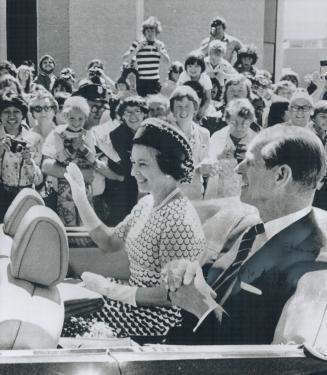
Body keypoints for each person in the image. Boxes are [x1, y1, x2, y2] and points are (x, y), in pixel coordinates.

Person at [164, 125, 327, 345]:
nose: (238, 168)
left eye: (250, 162)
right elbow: (218, 294)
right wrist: (189, 275)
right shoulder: (250, 227)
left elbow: (284, 363)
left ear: (280, 175)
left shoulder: (315, 266)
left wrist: (201, 307)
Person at [62, 117, 206, 338]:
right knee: (63, 302)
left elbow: (171, 296)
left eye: (143, 164)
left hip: (158, 320)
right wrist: (80, 198)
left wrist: (109, 289)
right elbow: (108, 242)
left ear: (168, 165)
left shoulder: (179, 220)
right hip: (131, 302)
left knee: (66, 323)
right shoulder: (147, 203)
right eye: (133, 162)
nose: (132, 172)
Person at [93, 96, 148, 225]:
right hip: (123, 187)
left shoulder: (152, 132)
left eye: (137, 111)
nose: (133, 115)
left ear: (144, 114)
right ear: (122, 115)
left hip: (147, 184)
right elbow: (125, 165)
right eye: (128, 112)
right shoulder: (116, 135)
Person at [42, 96, 96, 226]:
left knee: (85, 213)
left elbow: (93, 158)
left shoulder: (87, 134)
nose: (76, 122)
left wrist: (82, 147)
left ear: (85, 118)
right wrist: (73, 147)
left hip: (84, 181)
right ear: (66, 116)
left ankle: (85, 241)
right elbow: (60, 157)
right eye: (72, 118)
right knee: (67, 214)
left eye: (80, 119)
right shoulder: (59, 134)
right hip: (64, 182)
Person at [0, 93, 43, 220]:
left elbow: (38, 180)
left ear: (23, 115)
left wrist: (29, 161)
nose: (11, 115)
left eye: (16, 111)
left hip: (26, 196)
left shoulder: (34, 139)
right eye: (6, 111)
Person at [205, 98, 257, 198]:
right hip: (219, 196)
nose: (239, 127)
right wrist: (219, 157)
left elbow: (262, 173)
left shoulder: (256, 141)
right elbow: (206, 167)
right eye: (234, 123)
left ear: (251, 121)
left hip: (245, 197)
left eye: (244, 123)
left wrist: (249, 162)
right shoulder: (217, 137)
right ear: (227, 120)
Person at [170, 86, 214, 200]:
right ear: (172, 110)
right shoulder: (164, 133)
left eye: (187, 106)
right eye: (179, 107)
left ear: (195, 109)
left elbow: (206, 159)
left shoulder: (204, 133)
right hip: (171, 194)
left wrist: (205, 166)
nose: (183, 111)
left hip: (195, 193)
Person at [123, 16, 170, 97]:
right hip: (141, 81)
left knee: (153, 105)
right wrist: (137, 49)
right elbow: (125, 58)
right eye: (148, 31)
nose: (150, 33)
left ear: (156, 32)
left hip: (154, 81)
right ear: (144, 32)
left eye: (152, 31)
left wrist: (160, 51)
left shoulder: (160, 44)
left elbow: (167, 62)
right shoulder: (137, 43)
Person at [178, 51, 212, 119]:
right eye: (190, 66)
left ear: (202, 67)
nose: (193, 69)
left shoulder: (205, 78)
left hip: (201, 103)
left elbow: (208, 99)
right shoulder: (184, 76)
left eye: (196, 66)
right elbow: (178, 94)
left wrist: (201, 110)